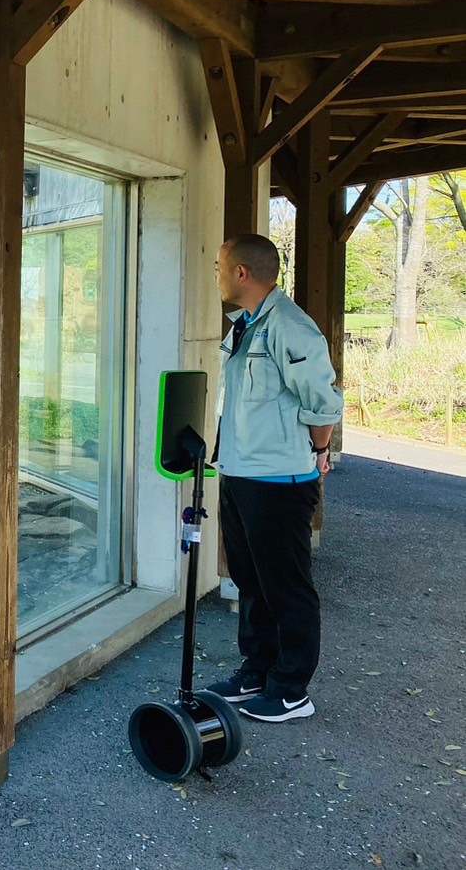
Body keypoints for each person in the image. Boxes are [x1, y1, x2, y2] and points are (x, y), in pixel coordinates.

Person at [205, 234, 344, 723]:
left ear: (242, 273)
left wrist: (320, 450)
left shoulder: (290, 327)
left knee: (286, 585)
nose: (216, 274)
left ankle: (291, 690)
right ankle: (257, 670)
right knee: (251, 581)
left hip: (279, 481)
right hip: (241, 475)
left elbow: (324, 403)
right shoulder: (244, 325)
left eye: (220, 265)